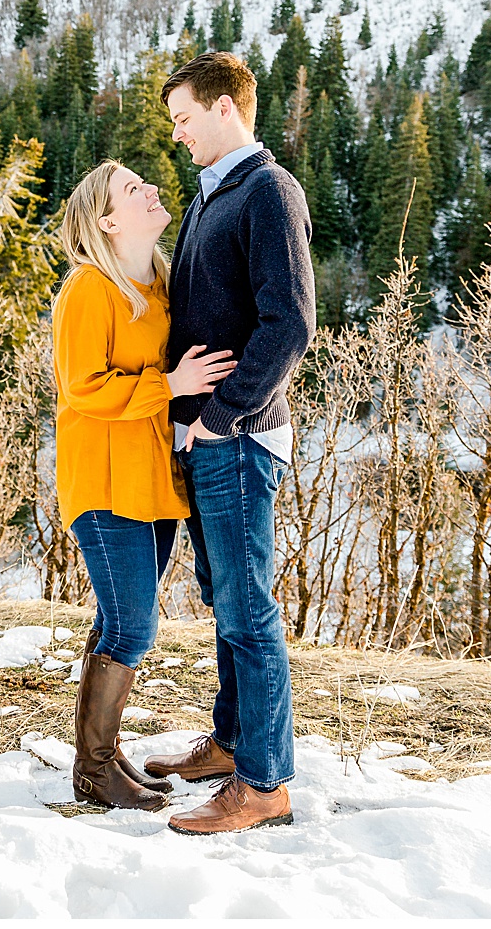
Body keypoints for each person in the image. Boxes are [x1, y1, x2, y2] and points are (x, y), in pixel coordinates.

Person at [145, 51, 316, 835]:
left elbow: (292, 322)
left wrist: (223, 415)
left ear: (225, 109)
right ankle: (231, 741)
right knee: (226, 604)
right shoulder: (213, 192)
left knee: (250, 611)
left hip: (239, 439)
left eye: (184, 117)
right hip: (205, 438)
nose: (177, 134)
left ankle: (266, 783)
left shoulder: (268, 190)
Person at [51, 159, 236, 811]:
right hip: (103, 484)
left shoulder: (156, 284)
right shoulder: (90, 287)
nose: (151, 188)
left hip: (151, 482)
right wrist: (171, 384)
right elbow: (82, 387)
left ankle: (100, 760)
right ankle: (93, 769)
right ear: (107, 220)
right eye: (133, 189)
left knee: (115, 620)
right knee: (132, 625)